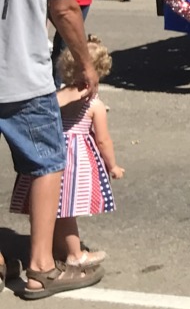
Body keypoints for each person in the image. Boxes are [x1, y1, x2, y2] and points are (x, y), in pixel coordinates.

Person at [0, 0, 102, 298]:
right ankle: (41, 265)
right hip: (22, 72)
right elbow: (64, 9)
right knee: (45, 162)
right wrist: (84, 62)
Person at [10, 35, 119, 270]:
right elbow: (103, 140)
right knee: (67, 210)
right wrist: (113, 165)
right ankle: (74, 253)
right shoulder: (95, 106)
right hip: (74, 162)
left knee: (52, 208)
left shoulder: (57, 97)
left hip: (48, 150)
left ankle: (54, 247)